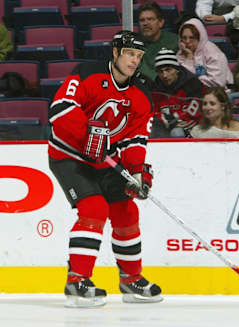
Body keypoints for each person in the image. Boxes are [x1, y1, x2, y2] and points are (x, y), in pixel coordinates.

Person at [48, 30, 162, 308]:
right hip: (70, 156)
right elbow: (60, 110)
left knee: (127, 210)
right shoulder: (87, 74)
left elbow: (135, 139)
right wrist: (87, 138)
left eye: (139, 56)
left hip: (106, 160)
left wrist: (137, 172)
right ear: (115, 52)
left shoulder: (141, 95)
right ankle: (76, 281)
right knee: (94, 210)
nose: (134, 61)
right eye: (130, 54)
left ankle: (130, 279)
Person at [151, 48, 205, 138]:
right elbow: (152, 113)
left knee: (177, 133)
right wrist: (171, 121)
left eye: (168, 70)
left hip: (194, 125)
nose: (164, 75)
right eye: (160, 71)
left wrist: (168, 120)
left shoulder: (193, 84)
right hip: (165, 126)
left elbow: (193, 112)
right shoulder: (155, 87)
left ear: (177, 69)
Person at [177, 18, 234, 89]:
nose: (187, 41)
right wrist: (189, 59)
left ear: (200, 37)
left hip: (215, 93)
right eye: (184, 38)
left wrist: (195, 80)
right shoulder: (182, 53)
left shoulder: (212, 52)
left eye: (192, 38)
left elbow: (217, 83)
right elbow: (180, 80)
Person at [137, 1, 179, 81]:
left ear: (161, 22)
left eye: (150, 19)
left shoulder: (175, 42)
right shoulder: (135, 44)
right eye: (142, 20)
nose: (145, 23)